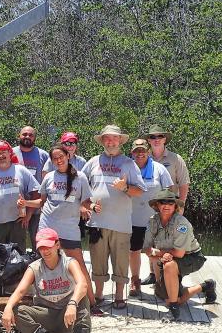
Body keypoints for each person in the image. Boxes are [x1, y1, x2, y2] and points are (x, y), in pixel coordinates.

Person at [17, 145, 98, 310]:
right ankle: (46, 301)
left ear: (68, 156)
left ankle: (92, 303)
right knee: (46, 264)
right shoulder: (49, 178)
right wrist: (25, 203)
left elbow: (86, 202)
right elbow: (41, 202)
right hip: (47, 227)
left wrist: (92, 207)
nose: (59, 160)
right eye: (55, 158)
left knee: (79, 265)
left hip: (69, 228)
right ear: (52, 161)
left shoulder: (81, 177)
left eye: (61, 156)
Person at [2, 228, 92, 333]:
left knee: (82, 300)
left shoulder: (69, 262)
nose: (45, 251)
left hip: (67, 314)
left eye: (48, 246)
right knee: (17, 311)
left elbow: (83, 284)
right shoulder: (35, 267)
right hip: (47, 313)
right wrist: (7, 308)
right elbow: (20, 291)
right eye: (41, 247)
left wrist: (72, 304)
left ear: (57, 245)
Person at [82, 125, 146, 310]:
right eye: (107, 138)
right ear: (102, 141)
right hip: (97, 222)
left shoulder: (129, 163)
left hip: (121, 223)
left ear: (120, 141)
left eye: (114, 138)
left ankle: (119, 296)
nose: (110, 142)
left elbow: (140, 190)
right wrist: (86, 205)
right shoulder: (93, 162)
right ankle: (99, 294)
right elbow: (81, 186)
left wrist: (125, 188)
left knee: (120, 262)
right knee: (98, 261)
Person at [142, 190, 216, 321]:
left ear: (175, 206)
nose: (166, 205)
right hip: (166, 258)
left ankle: (174, 310)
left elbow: (179, 253)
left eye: (170, 203)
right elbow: (147, 249)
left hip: (191, 257)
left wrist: (158, 253)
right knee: (161, 293)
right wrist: (158, 254)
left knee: (170, 270)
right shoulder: (152, 221)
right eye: (162, 202)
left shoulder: (181, 223)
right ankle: (206, 286)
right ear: (157, 205)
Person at [141, 125, 191, 285]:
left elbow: (184, 184)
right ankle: (153, 274)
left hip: (171, 207)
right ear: (148, 140)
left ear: (164, 139)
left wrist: (181, 206)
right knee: (151, 239)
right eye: (152, 137)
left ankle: (173, 275)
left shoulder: (175, 159)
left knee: (170, 241)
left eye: (159, 137)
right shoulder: (143, 158)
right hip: (149, 208)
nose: (156, 140)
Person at [129, 139, 173, 297]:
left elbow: (169, 193)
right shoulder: (128, 168)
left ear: (148, 151)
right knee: (133, 251)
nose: (140, 153)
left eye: (143, 150)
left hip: (155, 220)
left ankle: (160, 282)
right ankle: (135, 281)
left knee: (155, 252)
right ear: (132, 153)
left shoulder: (159, 169)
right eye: (136, 151)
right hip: (133, 219)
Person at [13, 126, 49, 249]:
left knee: (38, 241)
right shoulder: (11, 153)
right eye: (24, 134)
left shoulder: (43, 155)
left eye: (31, 135)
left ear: (35, 138)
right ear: (19, 135)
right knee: (17, 243)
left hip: (37, 207)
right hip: (16, 207)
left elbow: (48, 181)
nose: (27, 137)